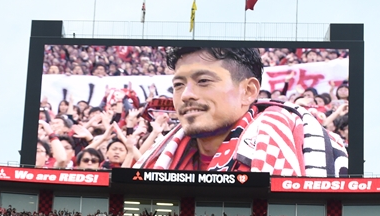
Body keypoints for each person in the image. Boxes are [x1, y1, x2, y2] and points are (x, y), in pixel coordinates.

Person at [135, 47, 347, 176]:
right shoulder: (158, 159)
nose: (186, 95)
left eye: (204, 81)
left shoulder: (294, 142)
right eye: (178, 85)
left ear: (248, 91)